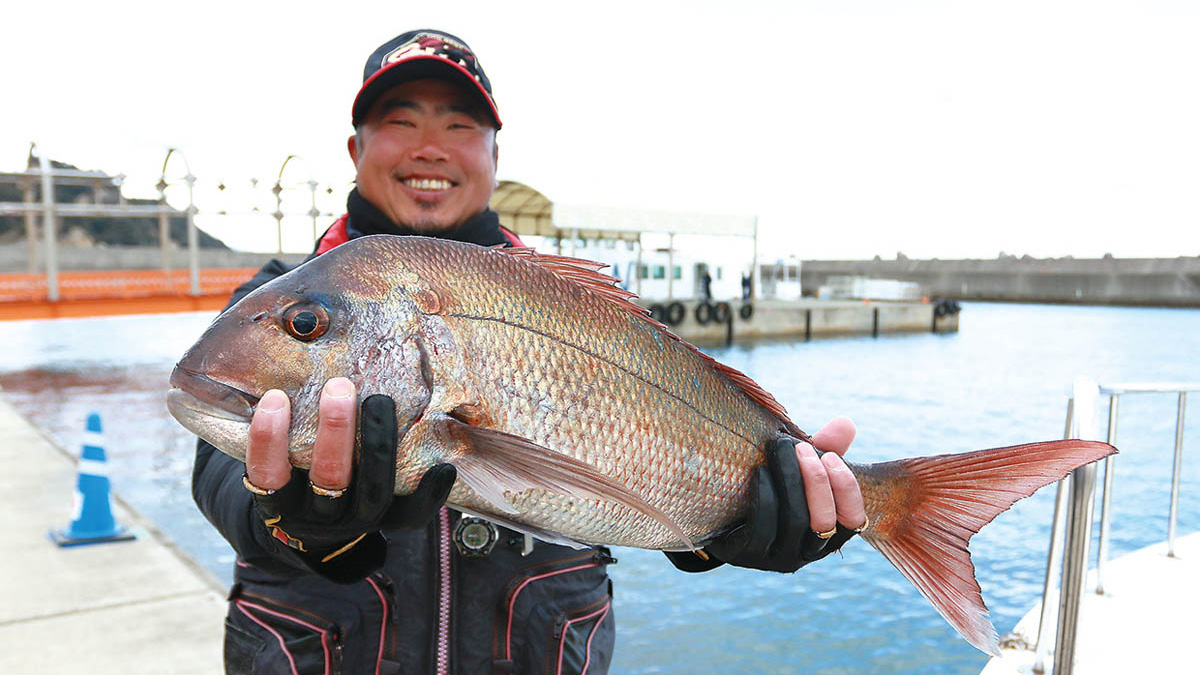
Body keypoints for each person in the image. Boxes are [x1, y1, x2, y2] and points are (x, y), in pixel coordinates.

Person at [192, 29, 867, 675]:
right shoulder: (276, 288)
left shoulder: (578, 311)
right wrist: (286, 518)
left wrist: (728, 528)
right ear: (355, 148)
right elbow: (213, 467)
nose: (431, 148)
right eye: (401, 121)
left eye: (459, 127)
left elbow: (647, 463)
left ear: (493, 155)